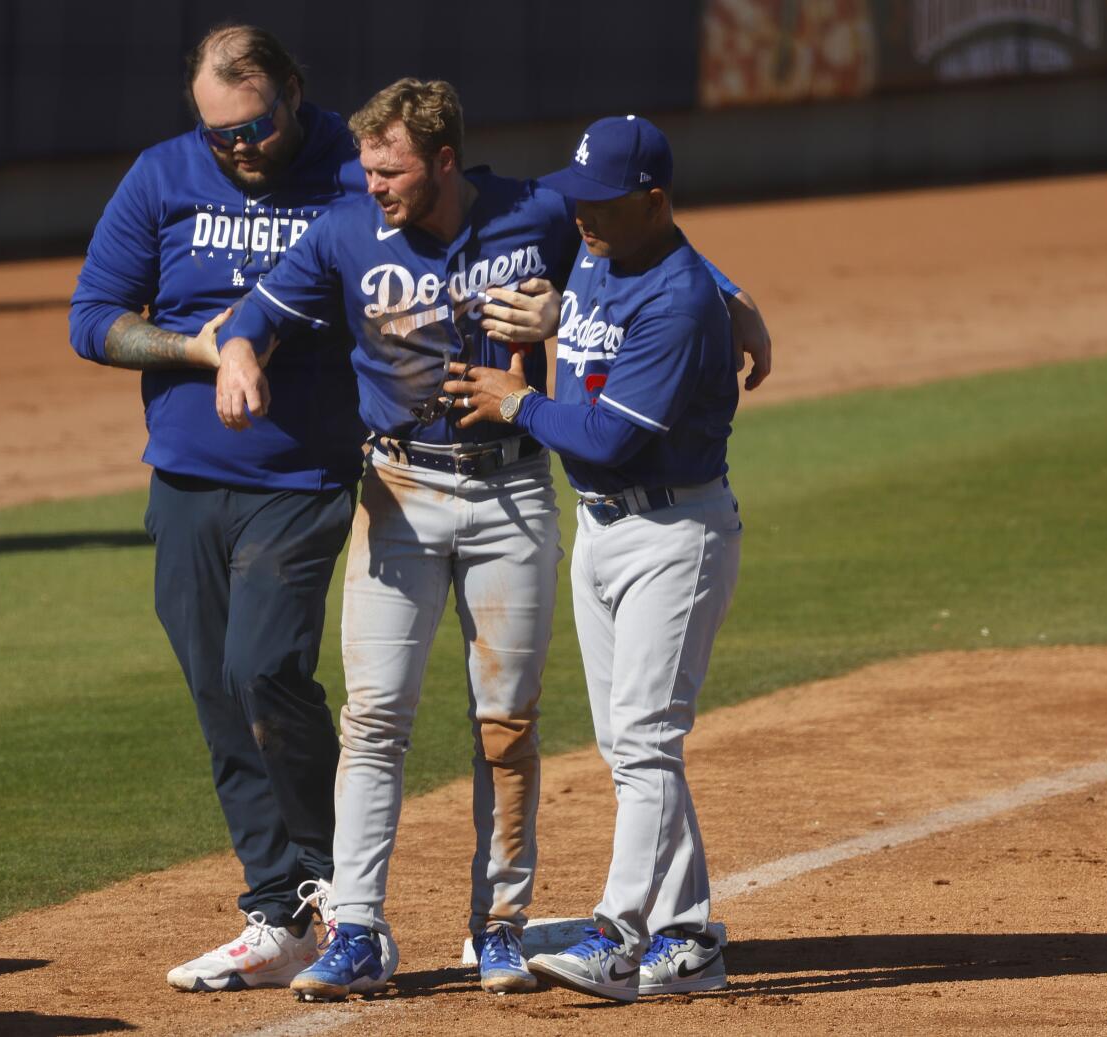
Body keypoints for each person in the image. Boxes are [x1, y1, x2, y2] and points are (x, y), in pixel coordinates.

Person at [215, 79, 769, 1002]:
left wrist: (732, 295)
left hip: (514, 488)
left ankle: (499, 926)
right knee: (375, 719)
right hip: (397, 487)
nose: (372, 182)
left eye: (390, 168)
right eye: (365, 165)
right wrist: (237, 354)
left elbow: (648, 242)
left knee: (508, 726)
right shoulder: (348, 230)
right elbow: (258, 319)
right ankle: (358, 927)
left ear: (442, 161)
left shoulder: (538, 212)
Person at [67, 24, 370, 993]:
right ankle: (274, 905)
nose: (239, 148)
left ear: (293, 89)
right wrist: (196, 350)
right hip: (189, 478)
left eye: (255, 126)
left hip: (306, 473)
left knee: (265, 665)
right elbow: (93, 319)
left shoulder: (351, 170)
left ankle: (341, 891)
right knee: (215, 687)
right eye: (219, 135)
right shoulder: (162, 177)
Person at [443, 114, 760, 1002]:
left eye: (599, 201)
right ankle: (691, 938)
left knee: (650, 741)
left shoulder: (678, 301)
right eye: (575, 196)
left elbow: (609, 438)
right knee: (629, 743)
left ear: (653, 200)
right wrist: (749, 302)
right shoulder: (601, 245)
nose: (578, 213)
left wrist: (516, 401)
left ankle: (619, 938)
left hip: (673, 536)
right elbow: (643, 278)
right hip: (603, 532)